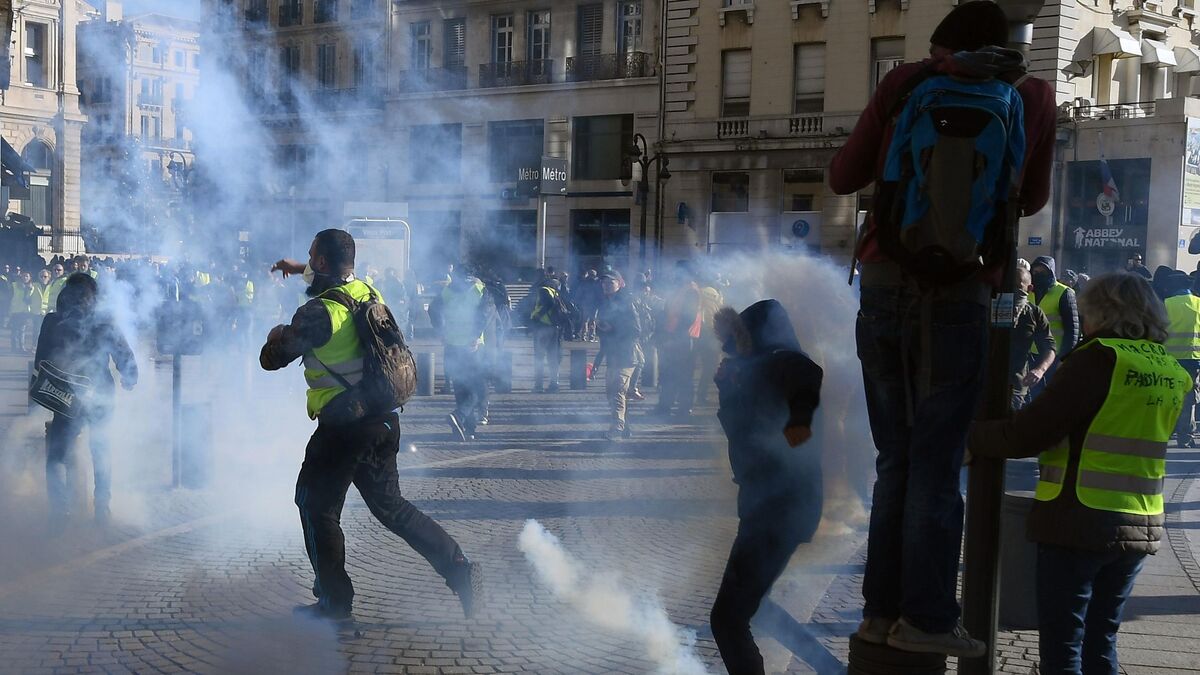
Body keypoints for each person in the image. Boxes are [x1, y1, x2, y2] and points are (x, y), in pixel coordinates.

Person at [829, 0, 1057, 656]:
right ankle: (928, 619)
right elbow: (1031, 197)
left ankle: (879, 612)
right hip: (961, 291)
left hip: (882, 282)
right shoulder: (1031, 94)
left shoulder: (904, 82)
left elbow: (844, 175)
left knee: (894, 457)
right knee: (936, 461)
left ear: (944, 43)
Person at [967, 273, 1188, 674]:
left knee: (1063, 646)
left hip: (1078, 519)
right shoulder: (1172, 370)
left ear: (1102, 312)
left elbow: (1030, 433)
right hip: (1141, 521)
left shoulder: (1098, 358)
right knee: (1101, 640)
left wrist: (974, 438)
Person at [261, 230, 482, 622]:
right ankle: (459, 567)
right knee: (393, 508)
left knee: (315, 506)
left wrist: (275, 335)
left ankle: (334, 604)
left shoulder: (316, 314)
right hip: (383, 418)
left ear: (324, 263)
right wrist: (300, 270)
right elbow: (329, 287)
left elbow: (272, 358)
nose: (307, 261)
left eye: (312, 256)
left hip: (344, 427)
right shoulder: (367, 291)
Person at [709, 300, 823, 675]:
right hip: (770, 506)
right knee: (755, 608)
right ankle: (832, 668)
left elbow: (805, 374)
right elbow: (744, 432)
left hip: (779, 510)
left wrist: (744, 381)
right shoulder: (758, 368)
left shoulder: (783, 361)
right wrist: (731, 390)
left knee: (727, 619)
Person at [35, 273, 138, 532]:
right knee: (100, 451)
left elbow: (40, 363)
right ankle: (101, 509)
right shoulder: (104, 322)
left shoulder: (52, 321)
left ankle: (60, 514)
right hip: (100, 392)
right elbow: (125, 357)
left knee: (57, 456)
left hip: (66, 394)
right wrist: (129, 378)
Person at [428, 266, 492, 441]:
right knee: (477, 390)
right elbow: (484, 314)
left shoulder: (447, 290)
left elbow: (433, 310)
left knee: (460, 389)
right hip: (473, 346)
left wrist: (441, 331)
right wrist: (475, 335)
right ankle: (459, 417)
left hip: (451, 345)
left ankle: (466, 429)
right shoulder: (479, 289)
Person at [596, 272, 641, 440]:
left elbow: (636, 330)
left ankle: (617, 428)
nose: (606, 285)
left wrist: (612, 329)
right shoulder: (607, 302)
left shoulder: (626, 302)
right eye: (604, 282)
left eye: (610, 282)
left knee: (617, 391)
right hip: (613, 354)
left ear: (619, 284)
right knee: (614, 392)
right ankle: (626, 427)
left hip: (626, 354)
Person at [655, 269, 702, 417]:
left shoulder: (691, 291)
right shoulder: (681, 290)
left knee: (683, 374)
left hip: (683, 338)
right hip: (674, 336)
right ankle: (665, 406)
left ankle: (684, 407)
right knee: (669, 373)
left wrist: (674, 336)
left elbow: (689, 316)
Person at [1011, 266, 1056, 411]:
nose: (1012, 291)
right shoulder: (992, 306)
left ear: (1029, 288)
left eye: (1017, 287)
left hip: (1017, 385)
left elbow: (1049, 346)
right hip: (986, 380)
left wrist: (1040, 370)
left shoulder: (1033, 313)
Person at [1163, 271, 1200, 447]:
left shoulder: (1167, 303)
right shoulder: (1199, 303)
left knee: (1168, 395)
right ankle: (1185, 435)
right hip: (1193, 359)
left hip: (1169, 358)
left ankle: (1166, 430)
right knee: (1189, 397)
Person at [1031, 256, 1081, 384]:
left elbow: (1073, 330)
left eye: (1042, 272)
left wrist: (1065, 358)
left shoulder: (1065, 292)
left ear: (1051, 272)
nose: (1038, 275)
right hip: (1029, 353)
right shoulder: (1028, 291)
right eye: (1035, 272)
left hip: (1055, 355)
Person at [527, 275, 565, 392]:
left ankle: (538, 386)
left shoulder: (543, 290)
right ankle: (554, 384)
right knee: (552, 357)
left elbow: (548, 304)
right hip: (554, 328)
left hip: (543, 327)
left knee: (539, 357)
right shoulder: (555, 292)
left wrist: (537, 316)